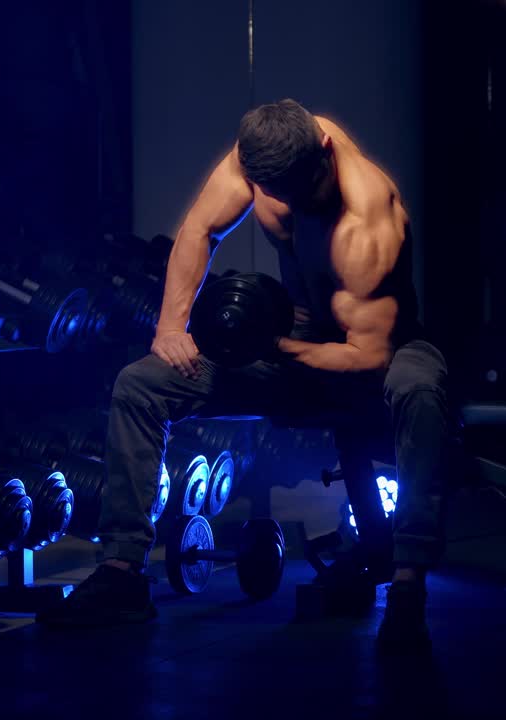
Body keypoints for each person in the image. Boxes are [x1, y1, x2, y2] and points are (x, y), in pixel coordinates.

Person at [36, 99, 454, 651]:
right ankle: (121, 572)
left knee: (418, 387)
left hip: (381, 345)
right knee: (141, 383)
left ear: (323, 151)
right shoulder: (261, 155)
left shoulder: (365, 224)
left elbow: (367, 358)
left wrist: (270, 342)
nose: (285, 204)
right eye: (272, 192)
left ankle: (408, 581)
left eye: (298, 191)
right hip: (299, 334)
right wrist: (170, 328)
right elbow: (199, 231)